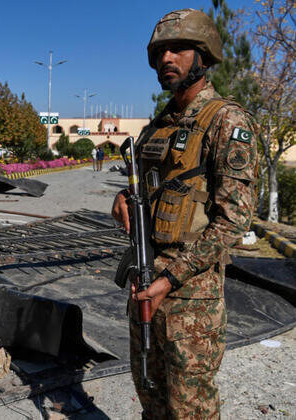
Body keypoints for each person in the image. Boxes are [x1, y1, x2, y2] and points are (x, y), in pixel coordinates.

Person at [111, 9, 258, 419]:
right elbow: (145, 187)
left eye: (178, 49)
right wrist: (123, 197)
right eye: (160, 52)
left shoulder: (226, 121)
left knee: (190, 410)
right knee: (151, 399)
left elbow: (234, 220)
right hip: (145, 282)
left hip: (191, 299)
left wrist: (170, 278)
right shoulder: (159, 125)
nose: (166, 58)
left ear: (203, 56)